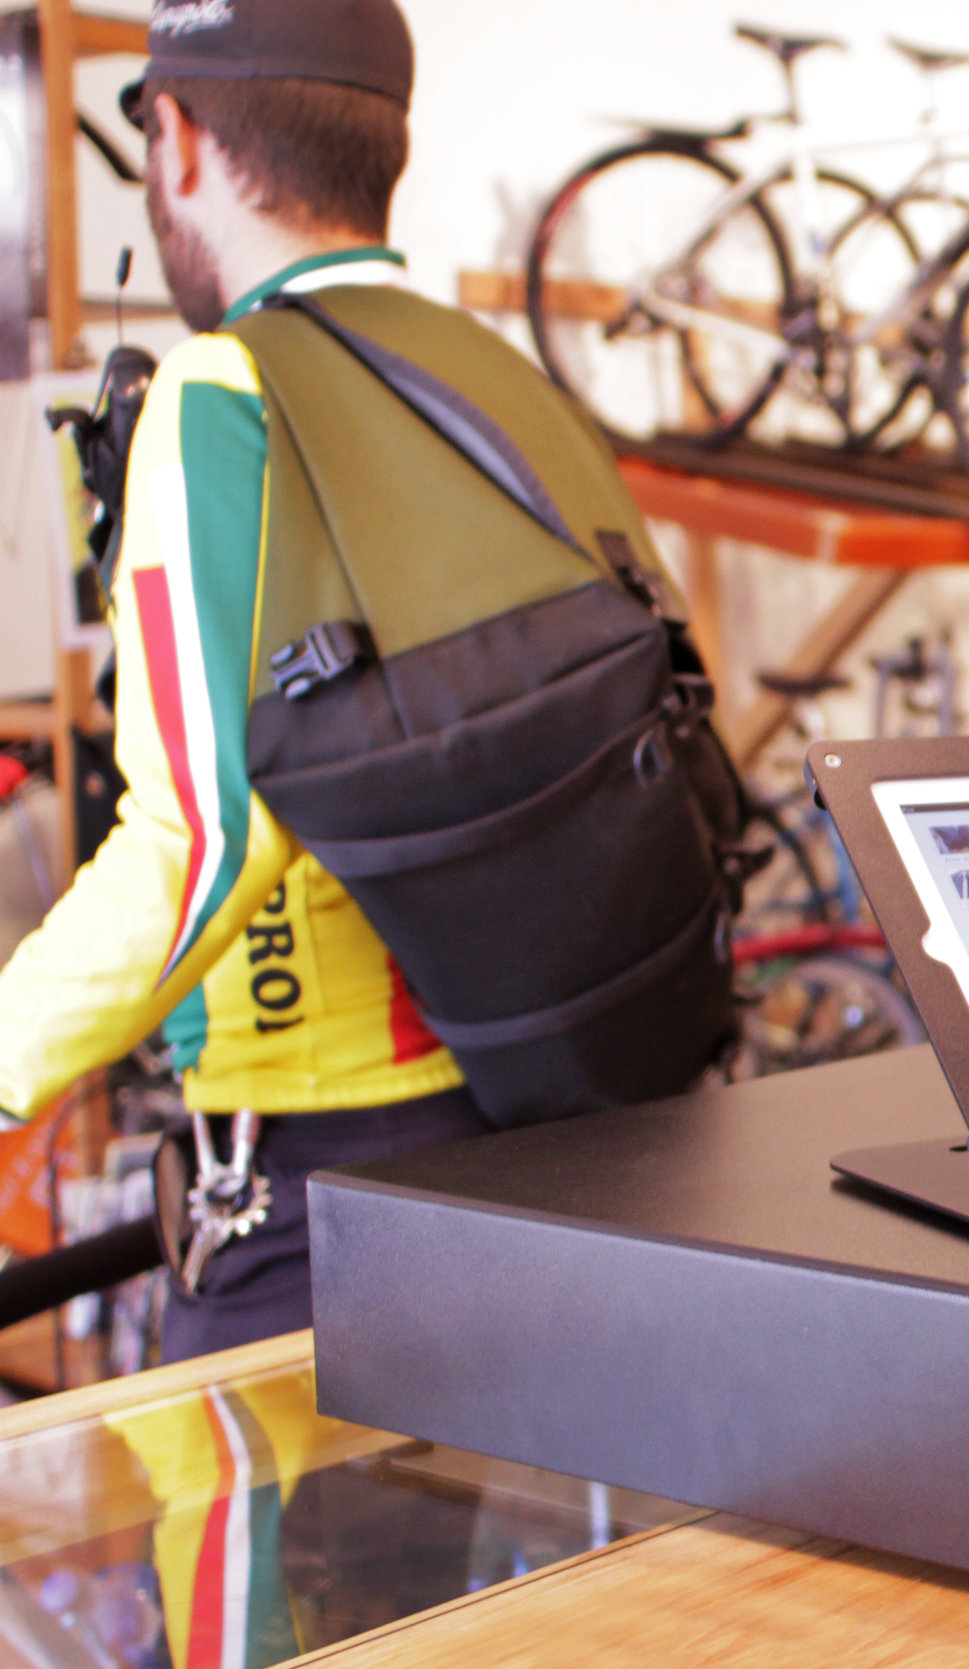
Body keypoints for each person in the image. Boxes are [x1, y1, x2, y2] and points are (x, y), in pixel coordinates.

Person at [0, 0, 524, 1360]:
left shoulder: (222, 394)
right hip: (498, 1137)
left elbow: (205, 831)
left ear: (178, 140)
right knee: (442, 1577)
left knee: (249, 1576)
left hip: (307, 1171)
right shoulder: (485, 376)